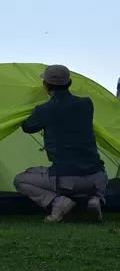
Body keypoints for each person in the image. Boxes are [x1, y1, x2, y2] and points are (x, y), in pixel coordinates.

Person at [13, 65, 108, 223]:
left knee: (21, 179)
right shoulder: (87, 104)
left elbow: (27, 127)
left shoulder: (45, 110)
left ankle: (58, 202)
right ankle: (96, 199)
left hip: (66, 180)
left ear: (45, 86)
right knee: (93, 177)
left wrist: (34, 109)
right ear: (69, 82)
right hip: (97, 176)